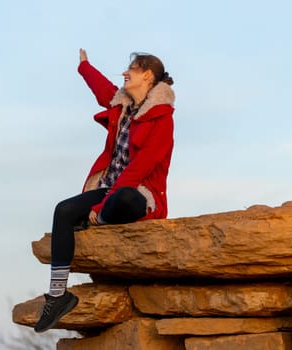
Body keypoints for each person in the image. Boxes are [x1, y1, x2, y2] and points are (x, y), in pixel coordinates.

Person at [34, 48, 175, 333]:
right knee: (64, 210)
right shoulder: (122, 107)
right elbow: (103, 90)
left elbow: (139, 169)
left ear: (147, 75)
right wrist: (85, 67)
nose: (125, 73)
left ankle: (101, 222)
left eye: (131, 69)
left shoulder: (162, 119)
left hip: (139, 194)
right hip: (110, 188)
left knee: (123, 197)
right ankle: (59, 296)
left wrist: (99, 210)